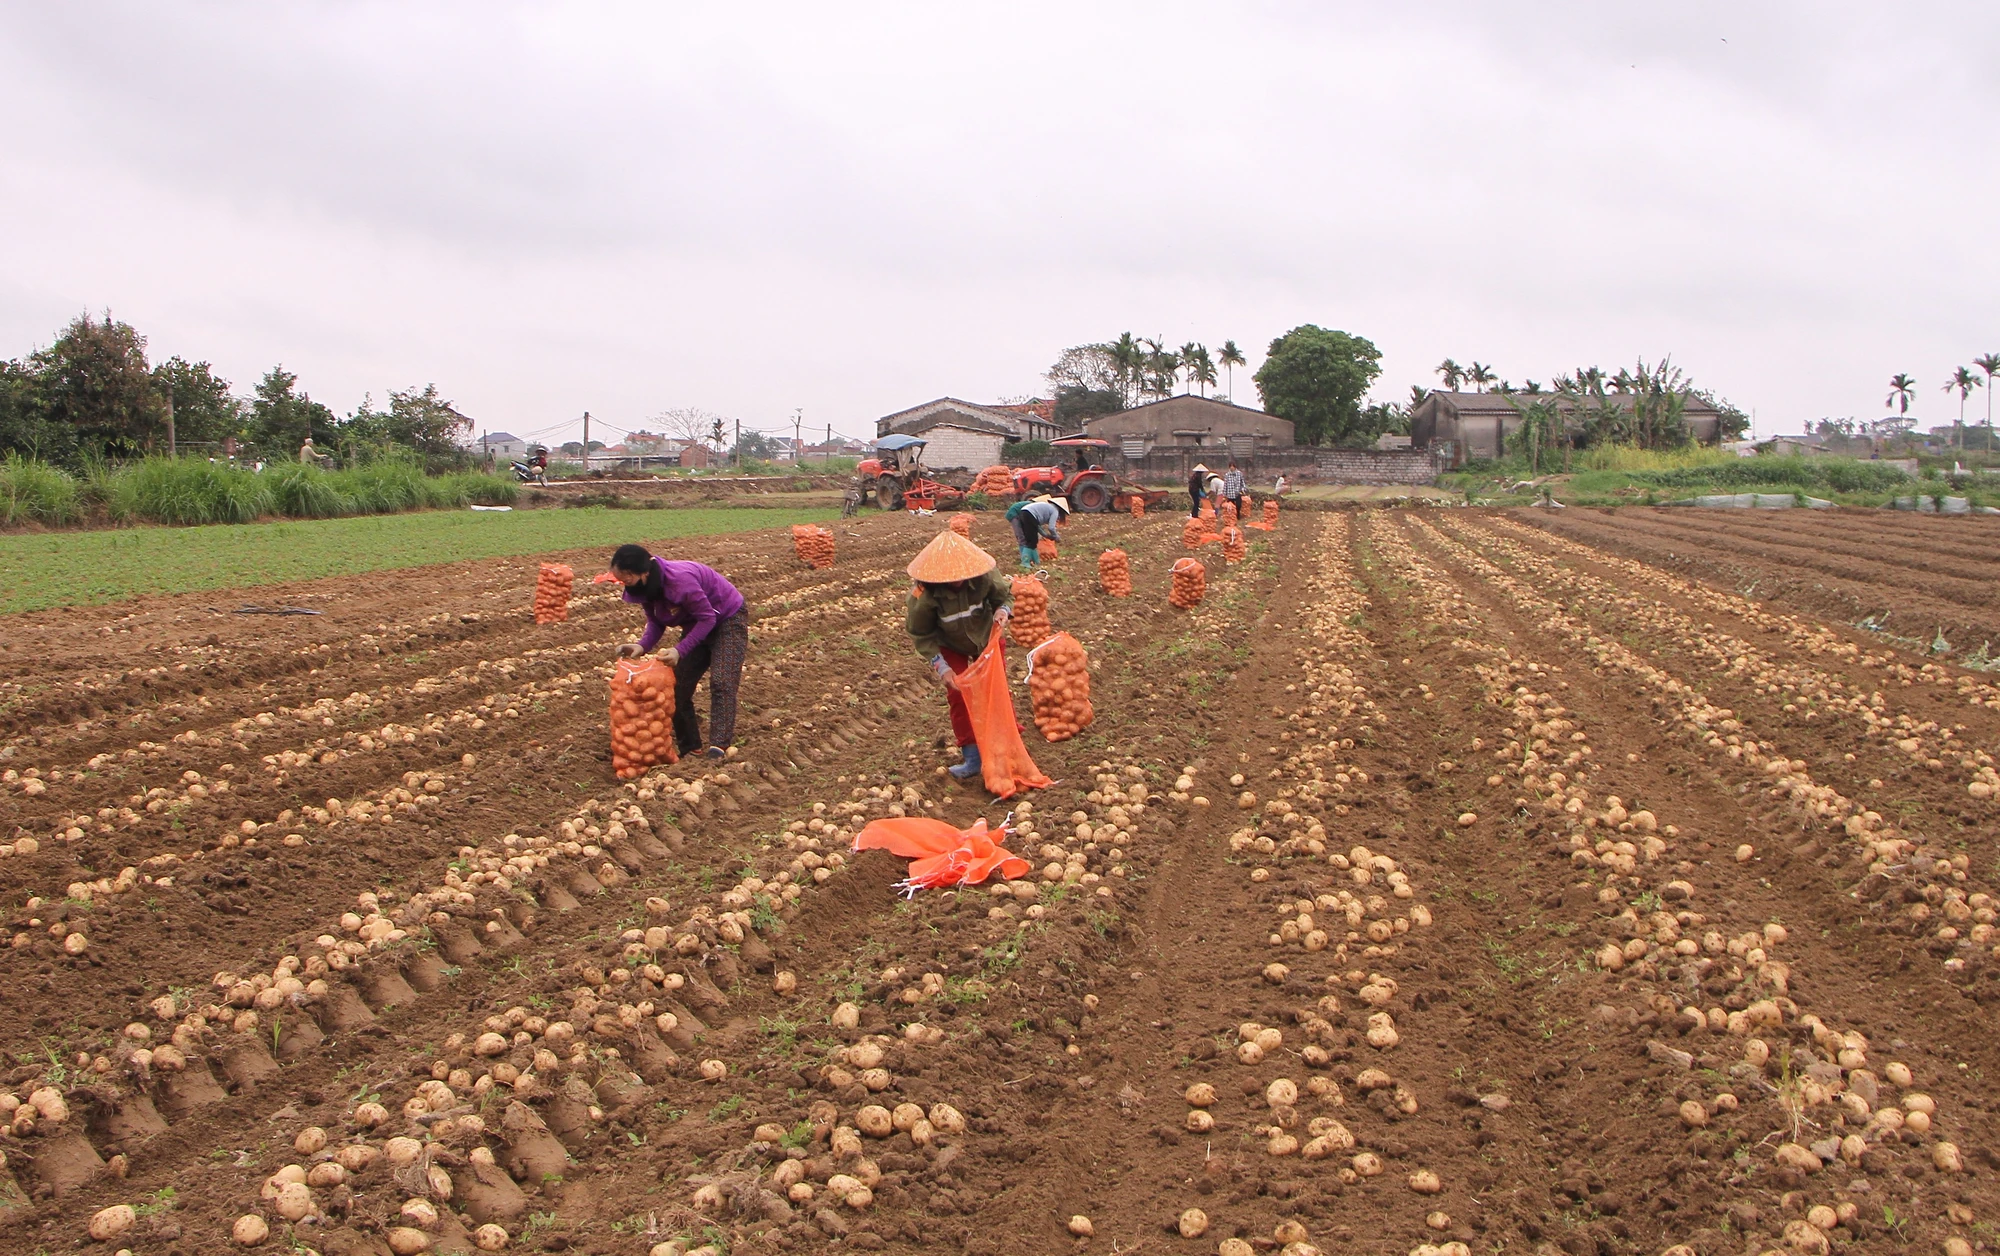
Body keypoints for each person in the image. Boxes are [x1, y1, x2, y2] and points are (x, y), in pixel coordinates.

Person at [608, 544, 749, 760]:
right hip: (697, 623)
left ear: (643, 571)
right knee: (677, 686)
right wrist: (642, 646)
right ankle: (690, 748)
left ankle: (718, 747)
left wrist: (679, 650)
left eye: (626, 577)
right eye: (621, 578)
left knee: (722, 681)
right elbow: (656, 621)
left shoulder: (680, 581)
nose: (623, 582)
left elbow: (708, 618)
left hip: (727, 619)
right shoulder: (644, 588)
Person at [904, 530, 1012, 780]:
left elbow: (1005, 595)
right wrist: (943, 668)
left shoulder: (985, 574)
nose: (957, 581)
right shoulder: (923, 595)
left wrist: (1003, 610)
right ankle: (972, 755)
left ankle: (1005, 742)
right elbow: (921, 634)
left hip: (986, 636)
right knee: (958, 694)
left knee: (996, 688)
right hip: (949, 644)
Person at [1010, 495, 1068, 567]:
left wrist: (1045, 535)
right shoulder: (1055, 511)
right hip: (1029, 514)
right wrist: (1056, 536)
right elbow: (1051, 528)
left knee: (1033, 540)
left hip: (1024, 513)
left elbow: (1037, 526)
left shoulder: (1048, 507)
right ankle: (1025, 562)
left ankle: (1036, 561)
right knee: (1031, 541)